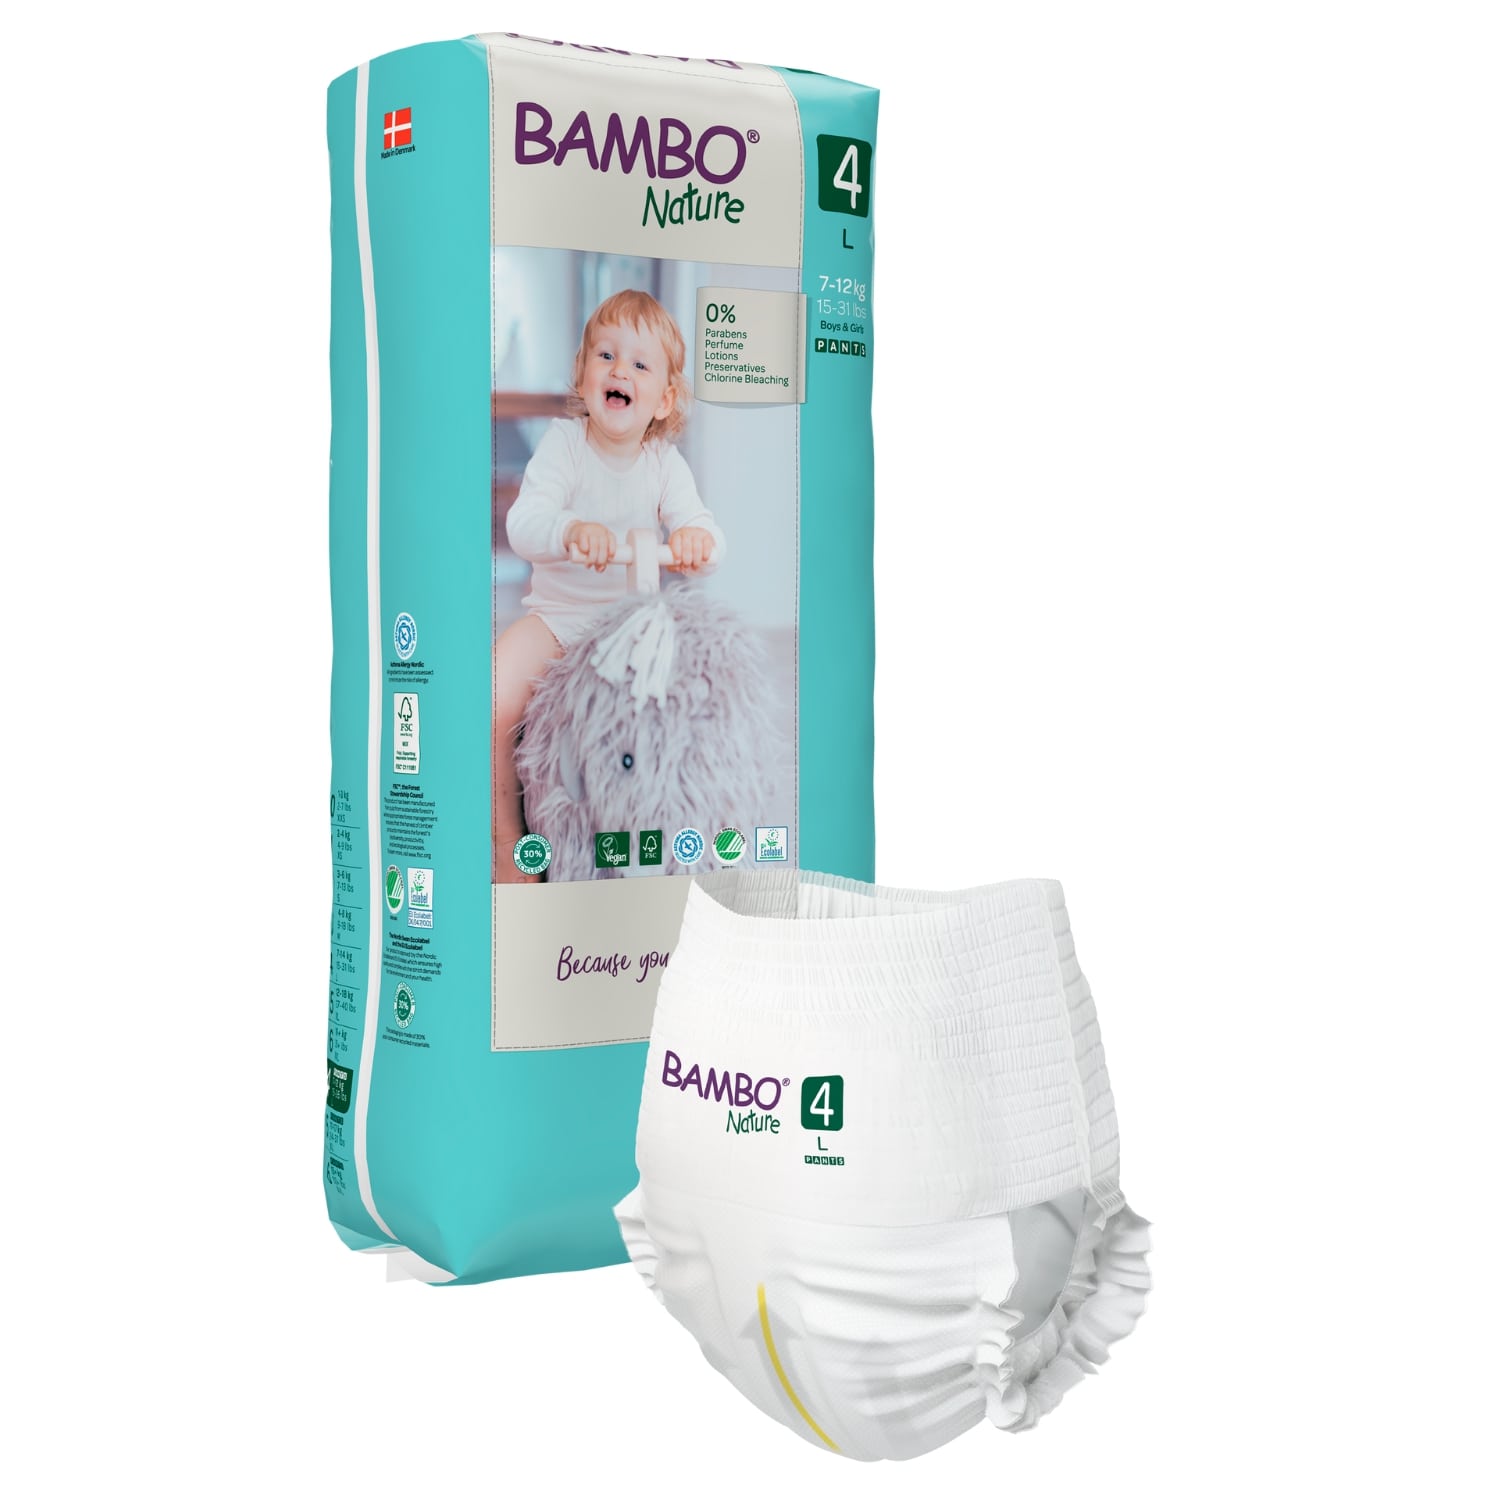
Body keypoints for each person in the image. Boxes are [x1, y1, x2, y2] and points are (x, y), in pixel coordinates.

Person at [494, 289, 725, 882]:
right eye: (606, 355)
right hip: (558, 621)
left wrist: (696, 541)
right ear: (583, 373)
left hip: (632, 630)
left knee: (696, 701)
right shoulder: (565, 445)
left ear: (664, 399)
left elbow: (704, 531)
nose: (620, 370)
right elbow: (524, 522)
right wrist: (569, 530)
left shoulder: (663, 463)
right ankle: (506, 834)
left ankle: (675, 820)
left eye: (640, 364)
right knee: (494, 694)